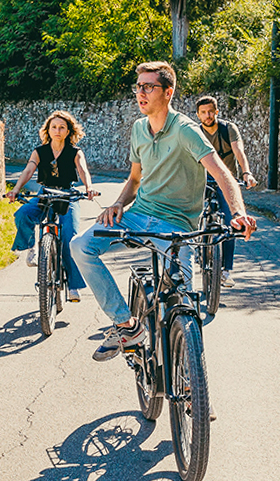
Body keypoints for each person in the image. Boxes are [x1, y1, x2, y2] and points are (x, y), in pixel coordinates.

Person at [71, 62, 257, 361]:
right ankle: (126, 324)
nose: (140, 93)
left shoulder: (186, 131)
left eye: (148, 87)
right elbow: (134, 180)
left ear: (167, 92)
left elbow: (222, 173)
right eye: (138, 87)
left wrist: (238, 213)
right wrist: (118, 204)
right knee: (80, 246)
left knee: (184, 304)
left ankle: (194, 388)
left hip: (177, 227)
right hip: (136, 215)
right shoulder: (138, 129)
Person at [5, 110, 98, 302]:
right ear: (48, 129)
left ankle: (73, 286)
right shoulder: (40, 151)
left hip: (67, 195)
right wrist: (15, 190)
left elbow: (83, 170)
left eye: (62, 127)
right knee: (22, 214)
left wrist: (89, 188)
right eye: (54, 127)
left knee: (70, 238)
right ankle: (31, 247)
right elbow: (29, 170)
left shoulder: (75, 152)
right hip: (45, 193)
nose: (57, 130)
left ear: (68, 131)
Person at [193, 95, 257, 285]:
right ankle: (198, 245)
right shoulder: (195, 132)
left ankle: (226, 270)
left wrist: (246, 173)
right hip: (202, 179)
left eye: (211, 111)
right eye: (203, 112)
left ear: (217, 112)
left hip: (226, 181)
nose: (208, 115)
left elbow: (239, 152)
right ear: (198, 115)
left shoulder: (228, 129)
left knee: (231, 223)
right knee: (191, 211)